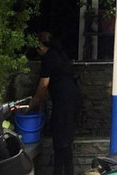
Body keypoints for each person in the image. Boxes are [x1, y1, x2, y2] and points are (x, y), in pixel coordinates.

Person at [29, 32, 81, 175]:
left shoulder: (48, 58)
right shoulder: (59, 54)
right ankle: (58, 171)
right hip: (71, 97)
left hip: (65, 100)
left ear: (40, 45)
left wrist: (33, 102)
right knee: (61, 137)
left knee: (62, 139)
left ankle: (67, 171)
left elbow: (43, 85)